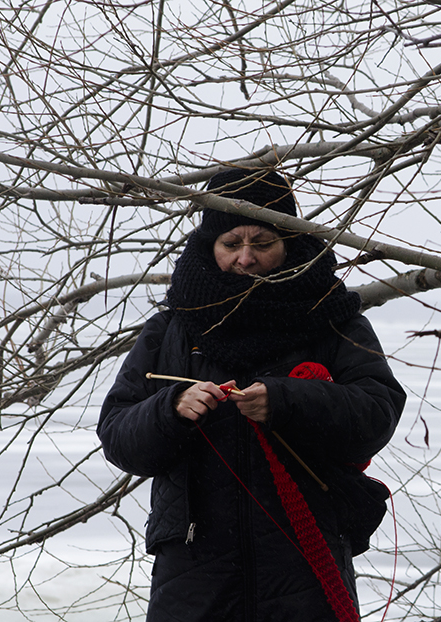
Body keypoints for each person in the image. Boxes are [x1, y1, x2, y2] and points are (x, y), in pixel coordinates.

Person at [97, 167, 406, 621]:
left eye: (262, 244)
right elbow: (119, 437)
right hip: (193, 574)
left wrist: (286, 402)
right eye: (230, 244)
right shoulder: (171, 330)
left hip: (307, 563)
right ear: (210, 247)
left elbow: (377, 414)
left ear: (291, 244)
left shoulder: (333, 318)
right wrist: (171, 409)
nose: (245, 258)